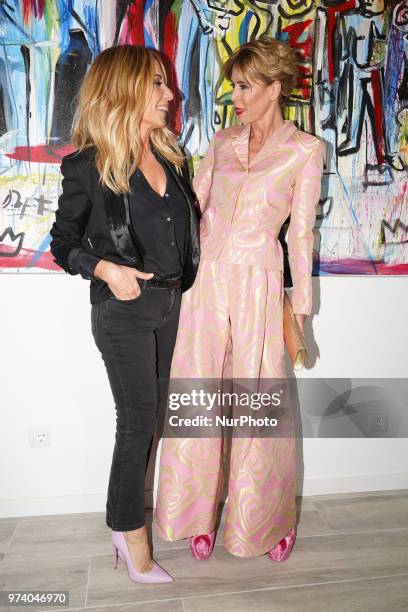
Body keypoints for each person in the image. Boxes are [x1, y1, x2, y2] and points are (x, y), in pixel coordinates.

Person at [154, 36, 325, 561]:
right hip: (206, 285)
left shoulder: (306, 150)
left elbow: (300, 236)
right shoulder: (222, 142)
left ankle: (267, 521)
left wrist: (300, 310)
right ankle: (195, 514)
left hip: (258, 283)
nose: (236, 97)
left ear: (275, 89)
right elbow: (193, 210)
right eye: (234, 87)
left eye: (246, 87)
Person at [50, 45, 200, 584]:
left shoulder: (174, 159)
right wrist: (106, 269)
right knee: (137, 423)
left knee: (152, 422)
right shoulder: (88, 165)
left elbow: (183, 237)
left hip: (170, 305)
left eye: (166, 84)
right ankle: (129, 533)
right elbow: (62, 244)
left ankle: (126, 521)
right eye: (157, 84)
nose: (169, 94)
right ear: (126, 90)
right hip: (123, 311)